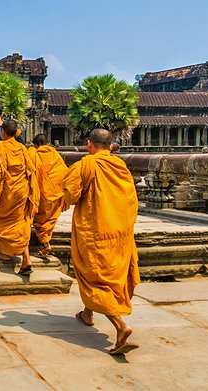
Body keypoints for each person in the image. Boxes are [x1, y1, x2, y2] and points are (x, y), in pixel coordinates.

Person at [63, 128, 140, 355]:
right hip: (119, 233)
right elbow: (131, 200)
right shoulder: (121, 167)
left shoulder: (85, 166)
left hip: (95, 232)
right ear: (111, 147)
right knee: (101, 276)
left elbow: (70, 196)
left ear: (89, 145)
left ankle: (120, 325)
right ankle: (87, 314)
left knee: (95, 277)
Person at [0, 120, 39, 275]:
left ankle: (5, 253)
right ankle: (26, 258)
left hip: (7, 192)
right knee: (20, 222)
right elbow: (31, 170)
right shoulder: (22, 148)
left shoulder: (0, 147)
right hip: (21, 190)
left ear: (2, 132)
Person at [28, 134, 69, 258]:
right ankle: (45, 242)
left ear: (35, 144)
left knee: (39, 219)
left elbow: (29, 171)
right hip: (55, 193)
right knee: (49, 219)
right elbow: (64, 172)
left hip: (41, 195)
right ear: (48, 143)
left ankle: (45, 244)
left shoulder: (33, 154)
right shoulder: (55, 155)